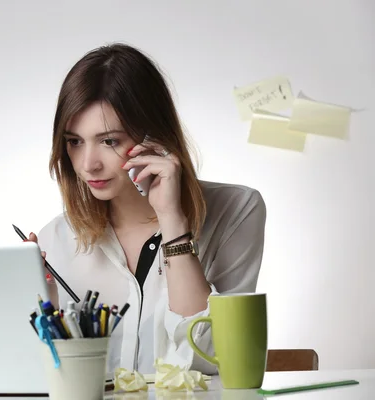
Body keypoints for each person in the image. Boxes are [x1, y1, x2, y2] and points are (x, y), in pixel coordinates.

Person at [27, 43, 267, 376]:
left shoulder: (237, 211)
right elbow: (51, 378)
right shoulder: (56, 238)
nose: (88, 165)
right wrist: (45, 305)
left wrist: (172, 219)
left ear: (154, 135)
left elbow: (213, 359)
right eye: (74, 141)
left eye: (110, 140)